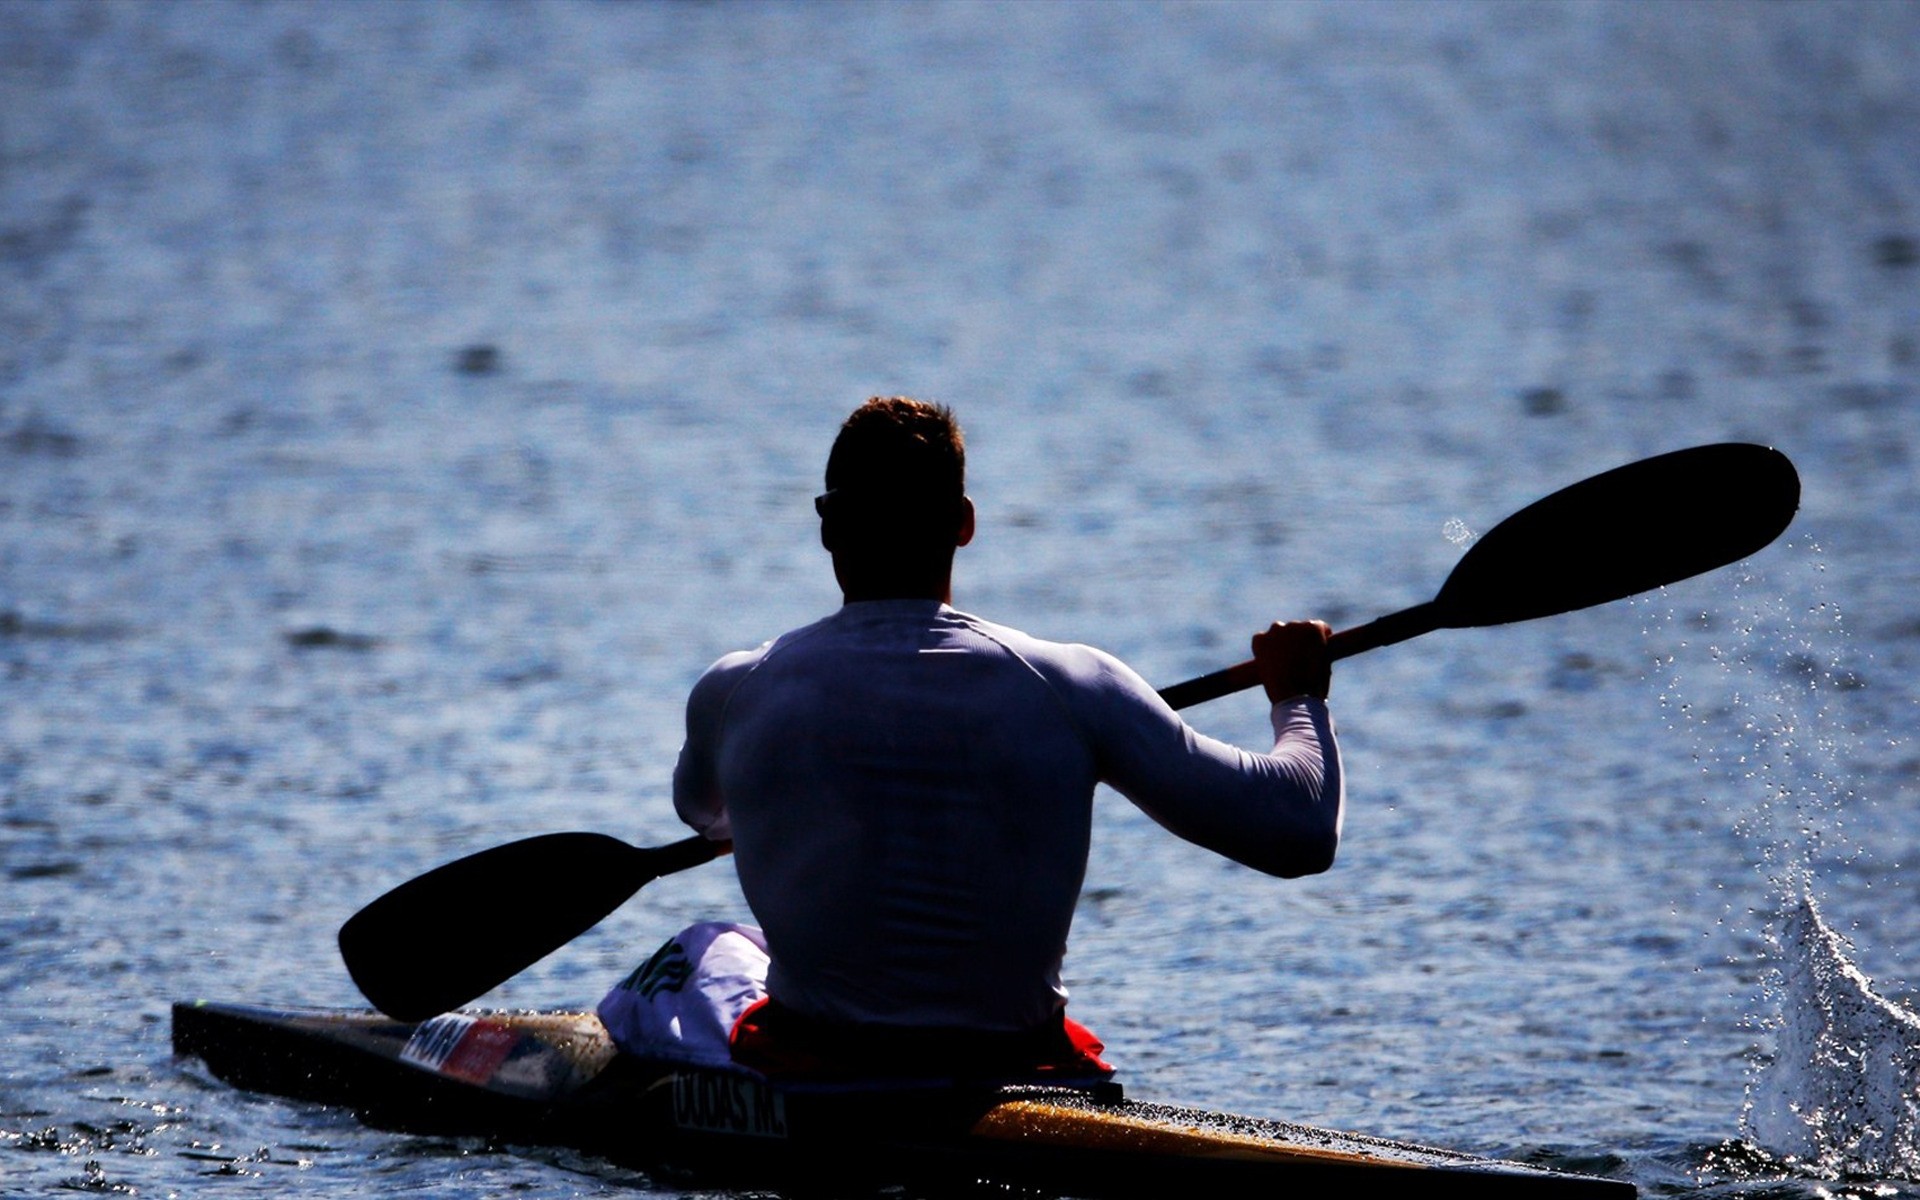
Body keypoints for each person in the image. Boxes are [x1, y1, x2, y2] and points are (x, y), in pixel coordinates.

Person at [599, 397, 1341, 1081]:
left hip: (817, 1064)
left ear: (827, 524)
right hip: (1015, 1058)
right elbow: (1299, 829)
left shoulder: (735, 691)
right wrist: (1297, 695)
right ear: (963, 522)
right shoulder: (1077, 684)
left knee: (700, 948)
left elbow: (703, 814)